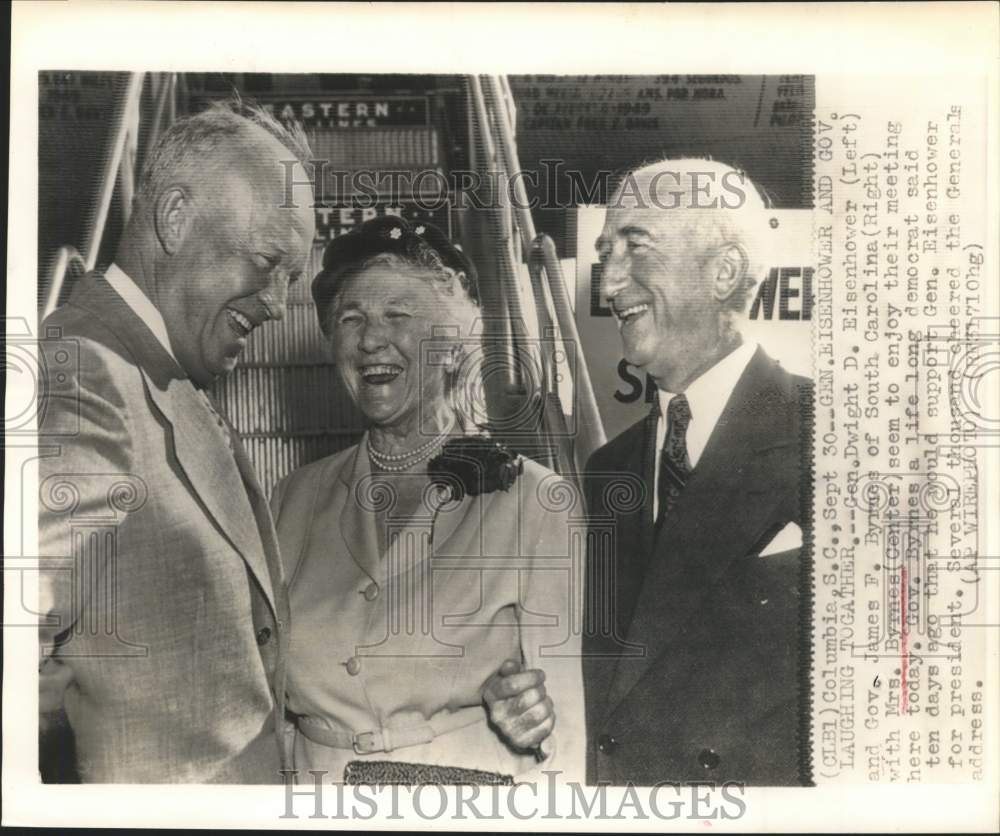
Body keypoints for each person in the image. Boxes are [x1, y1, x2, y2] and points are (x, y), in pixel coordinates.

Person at [37, 100, 316, 782]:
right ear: (174, 219)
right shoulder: (81, 376)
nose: (279, 304)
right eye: (265, 261)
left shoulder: (161, 377)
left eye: (293, 279)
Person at [270, 215, 585, 784]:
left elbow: (565, 739)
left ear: (452, 344)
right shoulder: (290, 500)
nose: (370, 339)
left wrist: (534, 727)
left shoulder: (533, 501)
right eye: (350, 319)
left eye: (398, 315)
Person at [581, 159, 811, 785]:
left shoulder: (839, 440)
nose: (608, 285)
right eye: (605, 253)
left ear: (724, 272)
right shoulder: (606, 471)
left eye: (635, 245)